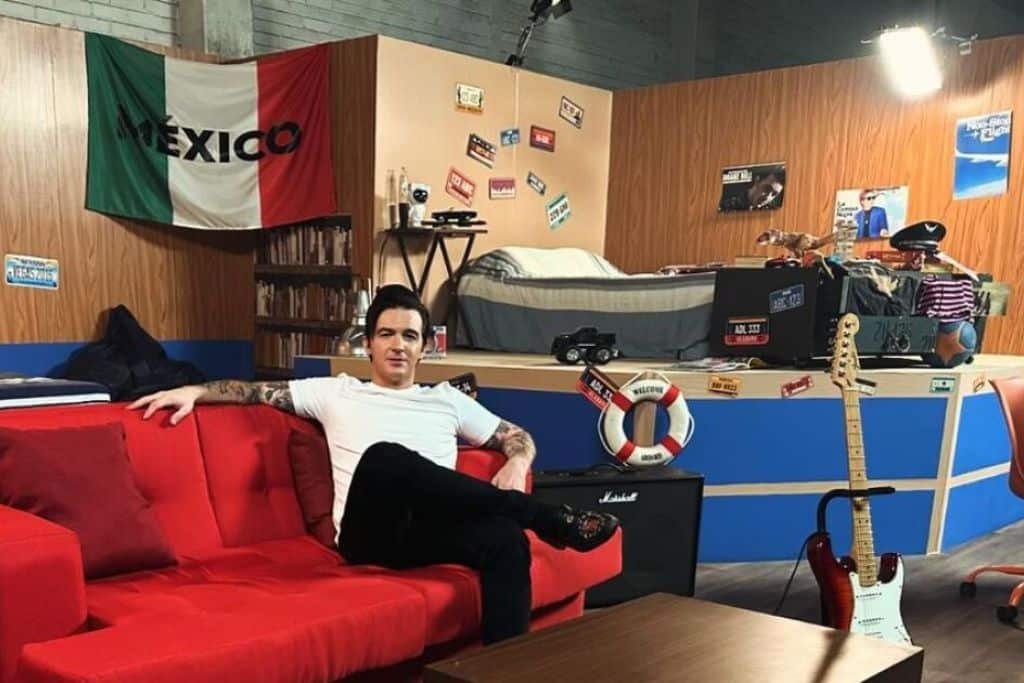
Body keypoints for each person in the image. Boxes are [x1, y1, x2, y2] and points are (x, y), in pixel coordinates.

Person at [129, 284, 619, 645]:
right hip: (371, 535)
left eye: (409, 335)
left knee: (506, 540)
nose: (398, 345)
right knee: (386, 457)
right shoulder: (336, 392)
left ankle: (501, 671)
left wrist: (519, 459)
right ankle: (547, 519)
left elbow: (516, 434)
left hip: (433, 532)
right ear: (369, 343)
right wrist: (196, 390)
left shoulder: (447, 400)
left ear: (425, 346)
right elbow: (255, 391)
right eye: (386, 334)